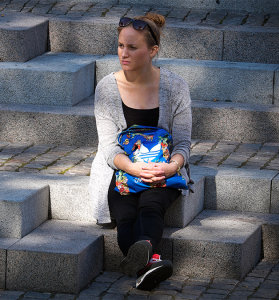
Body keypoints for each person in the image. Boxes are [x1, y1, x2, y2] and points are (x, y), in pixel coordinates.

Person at [89, 12, 192, 291]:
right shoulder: (107, 88)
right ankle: (152, 262)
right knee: (125, 215)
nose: (124, 53)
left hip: (163, 167)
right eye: (121, 45)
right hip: (122, 168)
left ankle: (143, 257)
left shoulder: (176, 86)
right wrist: (133, 168)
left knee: (151, 205)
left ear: (152, 50)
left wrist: (172, 167)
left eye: (132, 47)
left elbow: (183, 143)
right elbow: (109, 147)